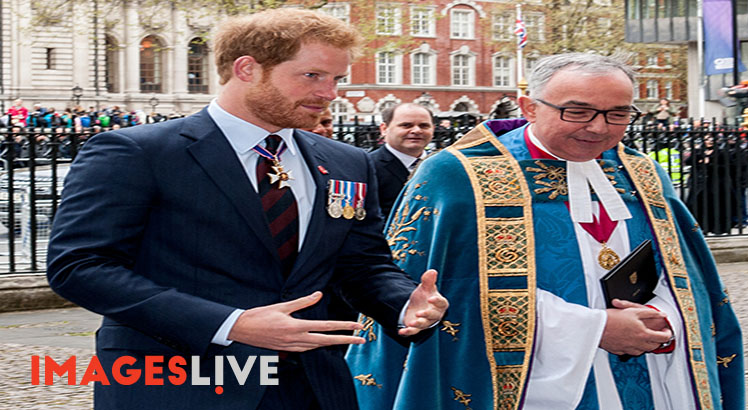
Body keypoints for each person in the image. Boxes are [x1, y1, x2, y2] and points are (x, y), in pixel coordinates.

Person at [46, 8, 448, 410]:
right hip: (181, 383)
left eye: (336, 79)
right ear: (246, 69)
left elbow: (362, 265)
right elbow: (81, 267)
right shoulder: (137, 151)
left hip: (313, 387)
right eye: (312, 76)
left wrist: (403, 303)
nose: (330, 94)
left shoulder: (347, 161)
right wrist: (231, 325)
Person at [347, 53, 744, 410]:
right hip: (522, 385)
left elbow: (689, 277)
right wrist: (594, 329)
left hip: (649, 376)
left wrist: (664, 318)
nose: (599, 128)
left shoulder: (642, 172)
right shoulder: (458, 175)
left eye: (618, 114)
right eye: (578, 112)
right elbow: (436, 294)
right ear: (529, 107)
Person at [369, 103, 434, 220]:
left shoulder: (441, 165)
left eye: (424, 126)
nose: (417, 130)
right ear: (384, 129)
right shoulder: (368, 166)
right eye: (406, 125)